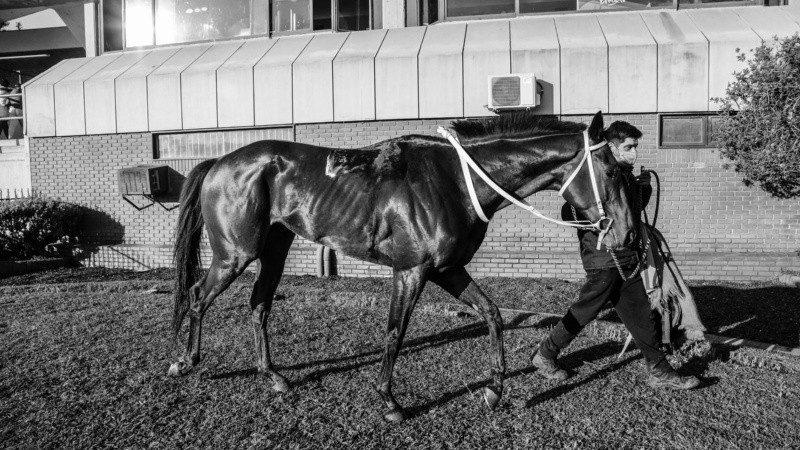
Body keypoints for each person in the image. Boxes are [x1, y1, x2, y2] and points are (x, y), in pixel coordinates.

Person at [532, 120, 700, 390]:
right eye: (628, 146)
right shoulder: (597, 178)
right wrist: (590, 221)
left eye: (635, 146)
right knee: (583, 312)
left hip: (627, 259)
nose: (633, 152)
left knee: (641, 316)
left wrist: (642, 188)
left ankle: (659, 371)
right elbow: (570, 210)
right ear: (611, 146)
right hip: (603, 260)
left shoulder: (624, 177)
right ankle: (545, 354)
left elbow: (631, 214)